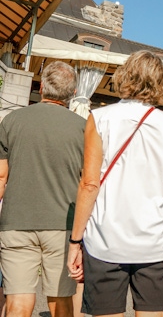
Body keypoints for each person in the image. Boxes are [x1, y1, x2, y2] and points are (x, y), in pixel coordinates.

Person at [66, 50, 163, 317]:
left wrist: (75, 241)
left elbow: (89, 184)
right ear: (161, 83)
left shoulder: (100, 118)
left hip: (105, 241)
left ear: (124, 75)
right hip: (156, 243)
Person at [0, 61, 85, 317]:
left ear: (41, 87)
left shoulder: (11, 120)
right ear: (72, 93)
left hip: (15, 223)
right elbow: (88, 183)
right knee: (61, 302)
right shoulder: (83, 128)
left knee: (17, 302)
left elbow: (1, 176)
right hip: (63, 226)